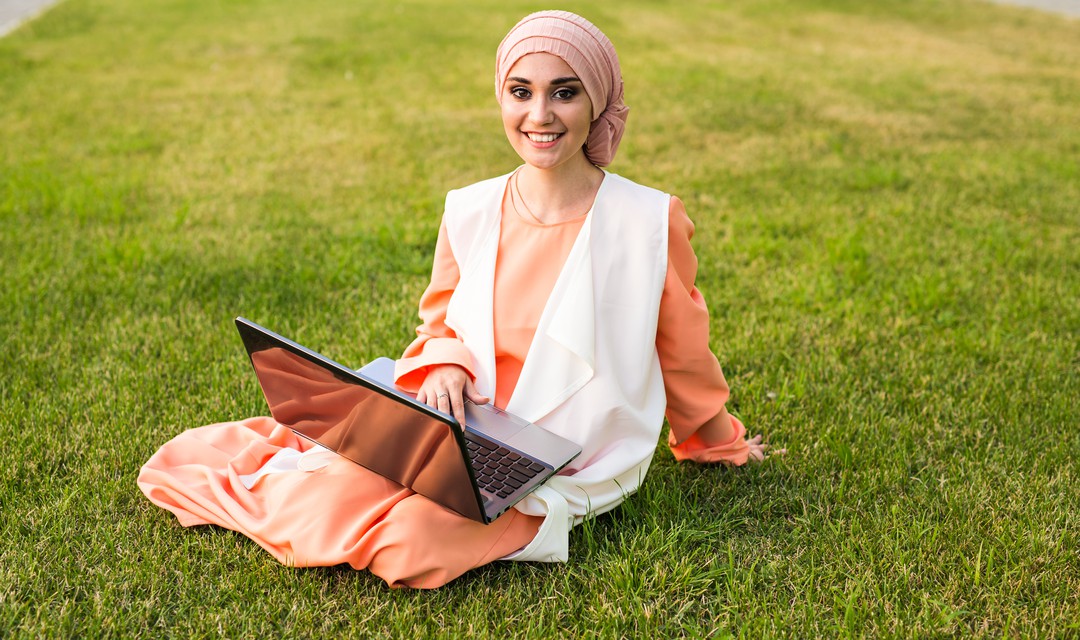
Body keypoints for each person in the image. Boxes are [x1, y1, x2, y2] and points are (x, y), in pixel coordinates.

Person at [138, 10, 772, 590]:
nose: (540, 115)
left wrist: (715, 440)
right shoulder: (470, 208)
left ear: (597, 100)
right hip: (467, 420)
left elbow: (684, 351)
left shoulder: (648, 221)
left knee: (411, 545)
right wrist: (443, 364)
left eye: (564, 92)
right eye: (520, 92)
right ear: (501, 97)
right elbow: (439, 322)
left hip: (563, 453)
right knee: (330, 490)